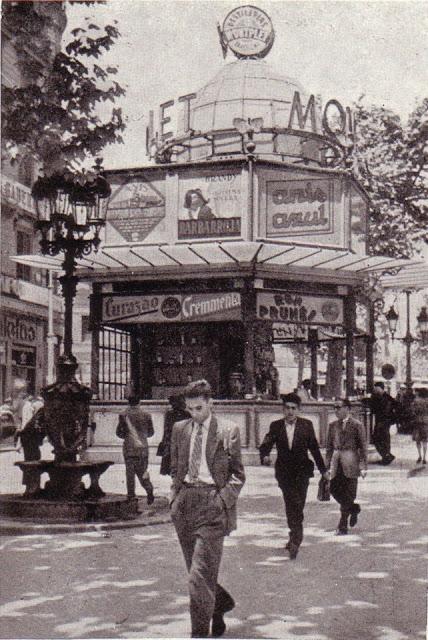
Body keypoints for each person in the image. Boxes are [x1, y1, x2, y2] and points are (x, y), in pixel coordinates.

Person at [170, 379, 245, 638]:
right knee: (198, 574)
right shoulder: (179, 429)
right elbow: (175, 466)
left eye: (199, 408)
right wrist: (174, 496)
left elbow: (237, 475)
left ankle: (198, 635)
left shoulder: (228, 429)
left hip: (213, 505)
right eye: (190, 409)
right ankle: (219, 604)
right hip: (185, 505)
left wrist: (223, 500)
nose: (194, 414)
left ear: (210, 403)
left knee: (198, 577)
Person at [259, 392, 328, 560]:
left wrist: (323, 470)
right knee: (292, 503)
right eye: (287, 408)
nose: (290, 412)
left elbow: (314, 449)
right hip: (284, 473)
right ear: (283, 409)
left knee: (298, 504)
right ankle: (296, 539)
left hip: (302, 472)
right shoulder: (276, 426)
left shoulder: (307, 425)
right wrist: (265, 455)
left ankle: (293, 535)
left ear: (298, 410)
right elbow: (265, 444)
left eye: (293, 408)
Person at [326, 398, 367, 535]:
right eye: (335, 407)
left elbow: (363, 447)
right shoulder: (332, 426)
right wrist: (326, 467)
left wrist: (363, 466)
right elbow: (329, 448)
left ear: (347, 409)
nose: (336, 410)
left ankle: (342, 524)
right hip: (336, 463)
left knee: (349, 493)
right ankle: (353, 508)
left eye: (339, 407)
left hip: (351, 463)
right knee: (333, 489)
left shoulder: (357, 425)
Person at [116, 395, 155, 505]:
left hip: (129, 448)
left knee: (130, 474)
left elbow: (119, 433)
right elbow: (151, 433)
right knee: (143, 472)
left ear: (128, 402)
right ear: (139, 401)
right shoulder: (147, 415)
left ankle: (131, 497)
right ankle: (149, 489)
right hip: (143, 448)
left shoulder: (123, 415)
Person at [157, 394, 190, 475]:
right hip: (183, 440)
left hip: (171, 441)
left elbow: (166, 429)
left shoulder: (169, 414)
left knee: (172, 461)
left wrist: (164, 441)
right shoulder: (186, 414)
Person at [369, 381, 398, 465]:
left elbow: (396, 405)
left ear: (381, 389)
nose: (375, 390)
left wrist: (391, 415)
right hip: (381, 421)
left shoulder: (384, 397)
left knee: (380, 439)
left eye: (376, 388)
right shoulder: (379, 396)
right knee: (381, 439)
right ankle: (387, 456)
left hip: (383, 421)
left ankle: (386, 456)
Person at [411, 388, 428, 464]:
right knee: (425, 440)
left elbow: (412, 411)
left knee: (418, 440)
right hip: (426, 422)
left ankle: (419, 456)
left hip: (417, 422)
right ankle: (424, 457)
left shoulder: (416, 401)